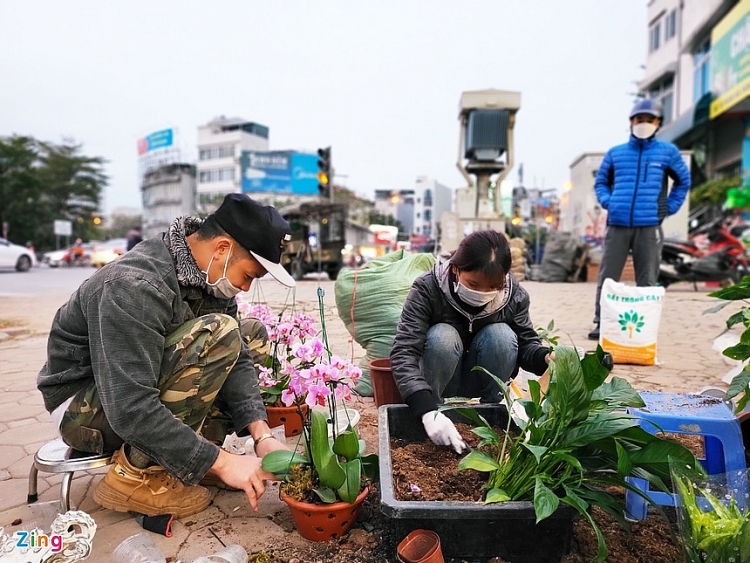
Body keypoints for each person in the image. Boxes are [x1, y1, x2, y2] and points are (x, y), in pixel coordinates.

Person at [37, 193, 295, 518]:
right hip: (86, 409)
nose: (245, 288)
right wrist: (226, 463)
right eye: (249, 275)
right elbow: (130, 408)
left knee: (248, 333)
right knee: (220, 332)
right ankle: (137, 476)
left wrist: (262, 436)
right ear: (223, 249)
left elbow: (238, 358)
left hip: (125, 393)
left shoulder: (209, 276)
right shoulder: (135, 286)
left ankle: (194, 457)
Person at [390, 230, 553, 454]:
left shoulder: (513, 295)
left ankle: (492, 420)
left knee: (502, 335)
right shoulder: (428, 288)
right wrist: (426, 410)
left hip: (483, 376)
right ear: (456, 269)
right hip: (441, 374)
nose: (483, 293)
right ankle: (437, 421)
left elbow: (526, 344)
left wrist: (546, 357)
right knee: (442, 336)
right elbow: (404, 352)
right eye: (474, 285)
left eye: (493, 287)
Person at [587, 98, 691, 341]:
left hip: (649, 225)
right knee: (608, 277)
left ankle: (644, 326)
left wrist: (668, 207)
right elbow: (601, 182)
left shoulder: (667, 153)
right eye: (638, 119)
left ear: (658, 123)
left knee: (647, 278)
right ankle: (602, 323)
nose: (643, 123)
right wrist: (608, 201)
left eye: (648, 120)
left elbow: (682, 182)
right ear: (631, 122)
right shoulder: (616, 154)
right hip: (618, 224)